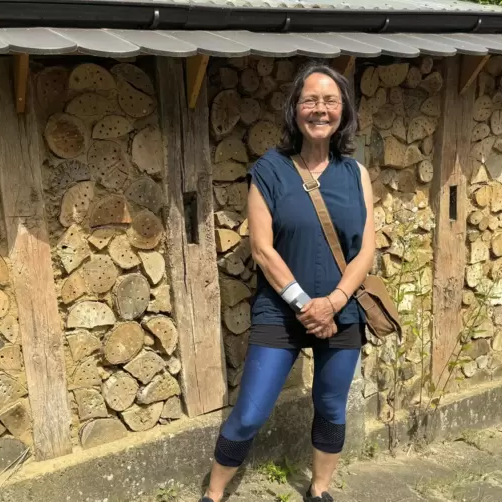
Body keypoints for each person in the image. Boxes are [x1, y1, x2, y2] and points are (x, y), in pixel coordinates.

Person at [199, 63, 376, 502]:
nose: (320, 109)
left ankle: (319, 490)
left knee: (332, 405)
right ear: (295, 109)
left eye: (330, 100)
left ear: (344, 111)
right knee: (251, 412)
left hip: (342, 311)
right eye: (310, 100)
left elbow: (366, 250)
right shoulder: (269, 170)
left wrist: (332, 302)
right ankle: (214, 493)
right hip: (281, 309)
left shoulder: (357, 174)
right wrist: (305, 305)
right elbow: (262, 249)